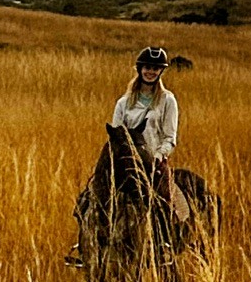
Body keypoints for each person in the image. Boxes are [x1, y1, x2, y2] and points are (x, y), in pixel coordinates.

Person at [66, 46, 181, 266]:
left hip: (152, 160)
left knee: (163, 201)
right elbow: (116, 134)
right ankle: (85, 246)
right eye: (147, 67)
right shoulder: (124, 102)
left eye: (156, 68)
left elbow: (170, 137)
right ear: (140, 68)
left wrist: (157, 155)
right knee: (88, 197)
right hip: (125, 160)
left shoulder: (168, 101)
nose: (151, 72)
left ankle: (162, 246)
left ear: (161, 72)